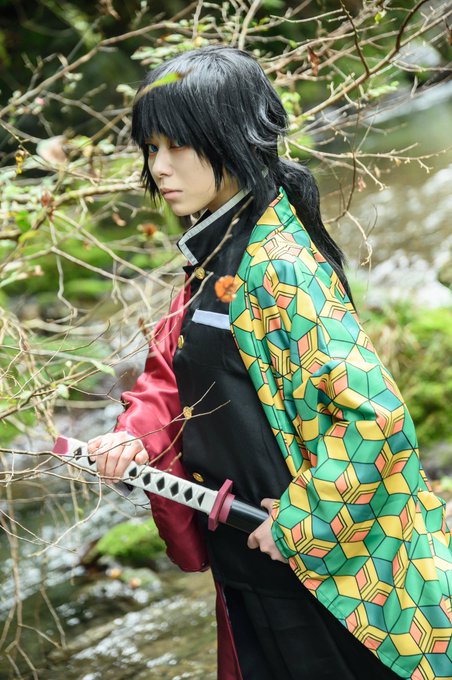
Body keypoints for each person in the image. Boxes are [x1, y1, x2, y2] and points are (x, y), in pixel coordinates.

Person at [88, 46, 452, 680]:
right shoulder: (213, 256)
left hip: (320, 572)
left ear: (230, 137)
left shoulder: (279, 265)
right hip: (251, 558)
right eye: (150, 149)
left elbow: (377, 417)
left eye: (177, 146)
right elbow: (174, 373)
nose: (159, 166)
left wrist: (300, 523)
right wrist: (133, 438)